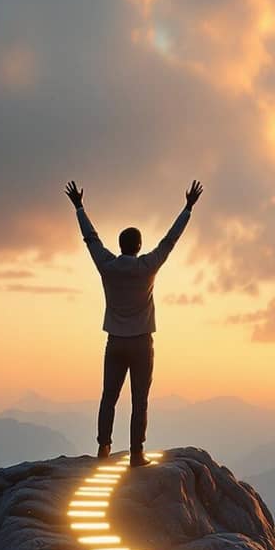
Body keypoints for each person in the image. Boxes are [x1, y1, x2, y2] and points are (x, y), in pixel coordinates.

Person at [65, 179, 200, 466]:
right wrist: (187, 208)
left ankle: (104, 447)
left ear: (120, 246)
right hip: (141, 343)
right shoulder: (147, 267)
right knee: (140, 400)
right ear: (139, 246)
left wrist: (79, 207)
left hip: (114, 341)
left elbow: (91, 239)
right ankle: (136, 453)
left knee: (109, 397)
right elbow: (169, 241)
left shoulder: (107, 266)